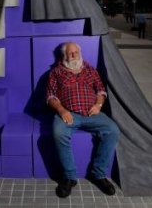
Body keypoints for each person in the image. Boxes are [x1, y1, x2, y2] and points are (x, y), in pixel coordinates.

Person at [46, 42, 120, 198]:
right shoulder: (56, 72)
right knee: (58, 132)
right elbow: (50, 96)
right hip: (69, 114)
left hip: (92, 113)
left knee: (112, 130)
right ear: (64, 55)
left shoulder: (90, 70)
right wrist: (62, 110)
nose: (73, 55)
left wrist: (99, 105)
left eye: (76, 52)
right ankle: (69, 177)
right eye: (70, 53)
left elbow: (100, 90)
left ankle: (98, 174)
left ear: (80, 53)